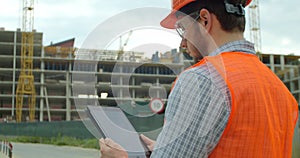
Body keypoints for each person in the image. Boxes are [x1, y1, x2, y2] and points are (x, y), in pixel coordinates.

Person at [99, 0, 299, 157]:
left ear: (204, 19)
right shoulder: (280, 90)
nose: (182, 42)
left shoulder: (203, 79)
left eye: (183, 28)